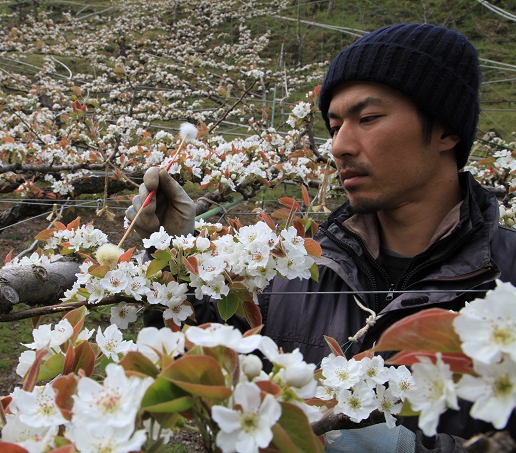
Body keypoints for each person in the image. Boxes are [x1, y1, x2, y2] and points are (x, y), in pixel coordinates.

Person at [126, 23, 516, 451]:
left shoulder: (507, 277)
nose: (339, 146)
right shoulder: (297, 265)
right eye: (334, 126)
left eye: (368, 119)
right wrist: (172, 258)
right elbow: (214, 372)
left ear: (447, 131)